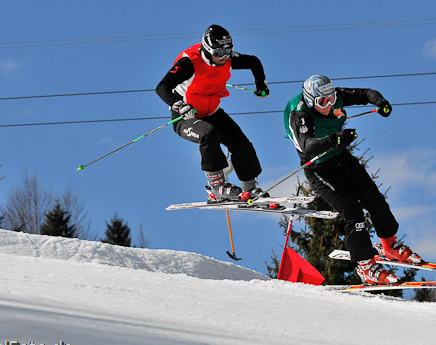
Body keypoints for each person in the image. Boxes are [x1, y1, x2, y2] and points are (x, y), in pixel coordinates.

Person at [284, 74, 422, 285]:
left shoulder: (334, 96)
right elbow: (307, 145)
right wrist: (334, 139)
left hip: (342, 160)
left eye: (331, 100)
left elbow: (365, 93)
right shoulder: (299, 114)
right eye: (322, 102)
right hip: (319, 169)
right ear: (311, 100)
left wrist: (381, 102)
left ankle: (389, 245)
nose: (328, 105)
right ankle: (365, 266)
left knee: (375, 200)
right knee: (352, 210)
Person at [155, 24, 270, 202]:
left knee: (241, 144)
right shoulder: (189, 63)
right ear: (208, 50)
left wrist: (261, 85)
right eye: (219, 54)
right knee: (209, 134)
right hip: (186, 116)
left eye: (227, 52)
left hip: (212, 112)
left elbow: (253, 61)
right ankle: (217, 187)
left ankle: (250, 189)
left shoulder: (228, 58)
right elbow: (161, 87)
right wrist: (178, 105)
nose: (223, 58)